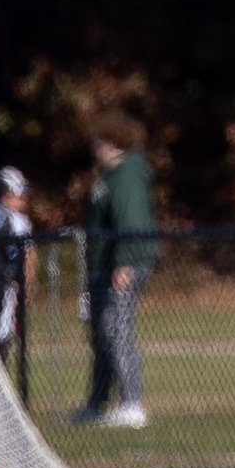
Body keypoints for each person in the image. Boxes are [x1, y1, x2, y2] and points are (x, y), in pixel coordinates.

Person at [72, 110, 158, 429]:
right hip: (101, 264)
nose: (94, 146)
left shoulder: (126, 177)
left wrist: (124, 262)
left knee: (117, 330)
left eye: (99, 140)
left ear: (113, 141)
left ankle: (132, 403)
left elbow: (131, 223)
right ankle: (97, 403)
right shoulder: (108, 175)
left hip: (122, 264)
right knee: (102, 333)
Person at [0, 166, 35, 358]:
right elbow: (28, 254)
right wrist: (29, 282)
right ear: (9, 193)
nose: (24, 199)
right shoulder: (16, 220)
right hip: (3, 283)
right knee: (1, 334)